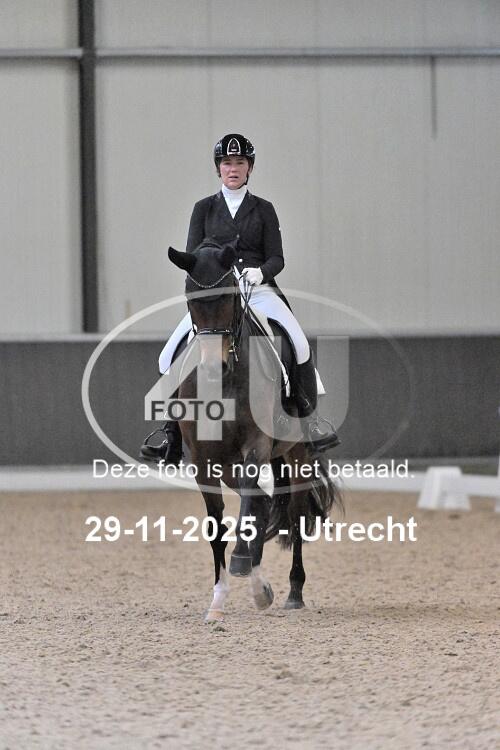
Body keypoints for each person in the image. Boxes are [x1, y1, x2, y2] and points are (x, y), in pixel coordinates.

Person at [140, 133, 339, 464]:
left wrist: (261, 273)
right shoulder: (203, 208)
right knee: (167, 356)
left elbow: (277, 258)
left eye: (240, 163)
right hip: (218, 295)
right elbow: (194, 254)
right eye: (227, 163)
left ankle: (310, 421)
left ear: (250, 168)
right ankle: (170, 434)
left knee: (299, 344)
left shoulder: (263, 209)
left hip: (258, 291)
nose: (233, 169)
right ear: (218, 168)